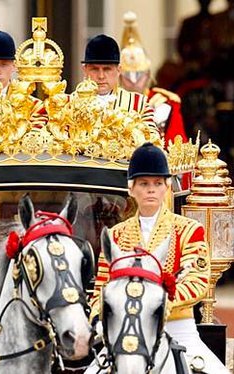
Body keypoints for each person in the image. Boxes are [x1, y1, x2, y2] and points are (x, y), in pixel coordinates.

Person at [88, 142, 227, 372]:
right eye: (144, 183)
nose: (151, 189)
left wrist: (156, 304)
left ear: (166, 188)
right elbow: (101, 289)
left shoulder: (189, 230)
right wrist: (99, 319)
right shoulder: (114, 236)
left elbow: (197, 281)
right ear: (131, 189)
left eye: (157, 183)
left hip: (178, 328)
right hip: (125, 332)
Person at [119, 12, 188, 148]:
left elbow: (178, 148)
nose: (133, 81)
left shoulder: (165, 102)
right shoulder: (111, 101)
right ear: (119, 75)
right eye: (128, 75)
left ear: (148, 74)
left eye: (139, 75)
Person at [81, 34, 157, 133]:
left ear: (119, 70)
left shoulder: (139, 104)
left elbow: (151, 143)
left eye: (107, 69)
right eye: (94, 69)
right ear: (84, 70)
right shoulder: (69, 104)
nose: (101, 76)